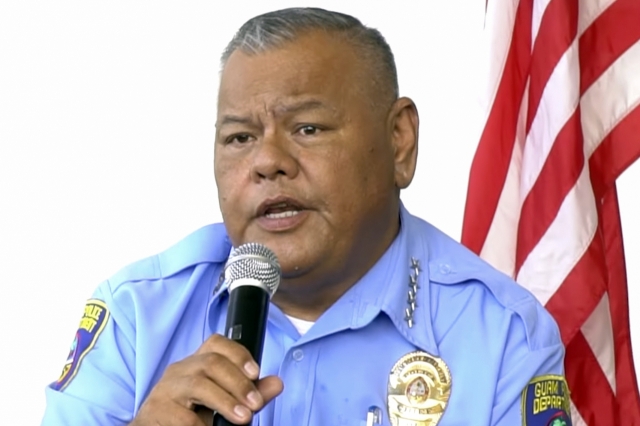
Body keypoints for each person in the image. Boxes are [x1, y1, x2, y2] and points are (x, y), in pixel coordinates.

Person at [41, 7, 572, 426]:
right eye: (240, 138)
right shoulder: (136, 313)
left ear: (399, 140)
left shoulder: (503, 337)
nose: (267, 161)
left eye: (308, 129)